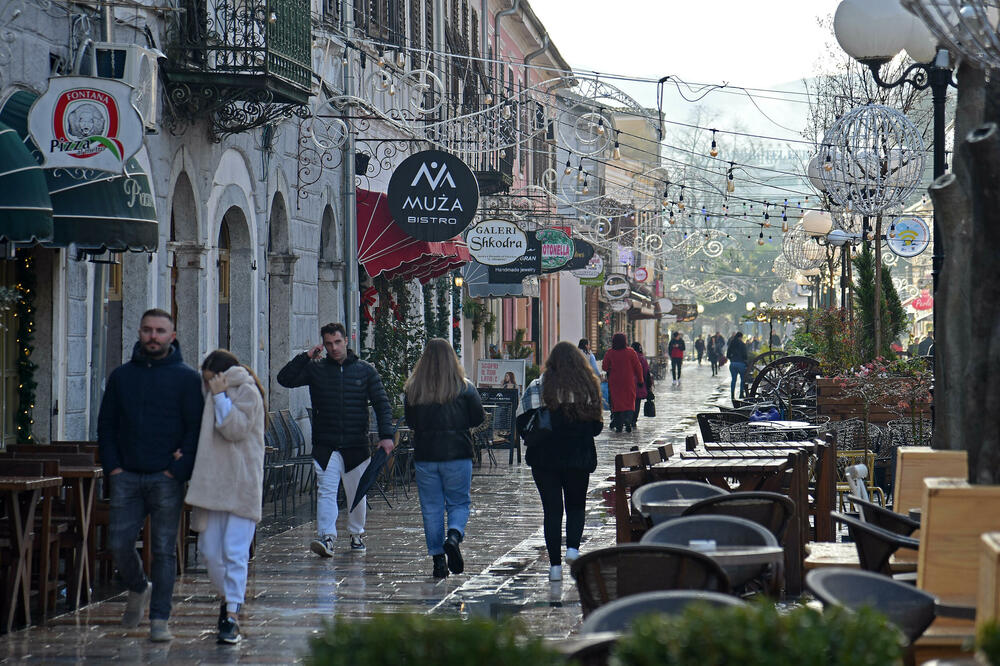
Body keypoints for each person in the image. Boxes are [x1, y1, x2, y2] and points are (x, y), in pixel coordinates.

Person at [97, 308, 204, 642]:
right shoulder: (122, 377)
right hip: (126, 474)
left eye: (160, 331)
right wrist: (113, 465)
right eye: (147, 330)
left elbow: (195, 428)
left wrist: (178, 469)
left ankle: (160, 619)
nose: (153, 336)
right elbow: (107, 424)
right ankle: (138, 586)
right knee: (119, 543)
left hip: (165, 478)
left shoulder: (187, 378)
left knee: (163, 550)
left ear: (172, 336)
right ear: (139, 333)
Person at [277, 322, 394, 557]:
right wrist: (305, 356)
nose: (334, 348)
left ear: (346, 341)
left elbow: (382, 404)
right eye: (329, 344)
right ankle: (327, 537)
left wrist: (387, 436)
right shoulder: (316, 369)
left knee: (356, 492)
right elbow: (285, 379)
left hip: (355, 444)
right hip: (326, 444)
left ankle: (356, 533)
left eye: (337, 342)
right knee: (326, 491)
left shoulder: (365, 370)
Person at [185, 350, 266, 645]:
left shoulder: (247, 391)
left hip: (241, 483)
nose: (205, 385)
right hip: (212, 485)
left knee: (234, 551)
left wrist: (220, 398)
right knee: (208, 550)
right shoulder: (209, 392)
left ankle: (231, 613)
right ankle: (227, 598)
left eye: (209, 380)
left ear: (219, 375)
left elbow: (235, 429)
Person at [516, 342, 603, 582]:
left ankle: (554, 566)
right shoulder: (587, 388)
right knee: (576, 507)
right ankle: (573, 550)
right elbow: (596, 427)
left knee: (552, 511)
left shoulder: (537, 387)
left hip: (545, 460)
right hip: (578, 458)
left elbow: (521, 422)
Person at [404, 339, 485, 578]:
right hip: (457, 454)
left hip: (426, 455)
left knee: (431, 508)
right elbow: (478, 418)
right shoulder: (465, 387)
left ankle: (438, 561)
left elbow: (411, 423)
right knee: (459, 502)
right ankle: (454, 536)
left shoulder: (414, 389)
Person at [601, 333, 643, 433]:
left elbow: (604, 367)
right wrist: (640, 380)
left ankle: (618, 424)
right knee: (629, 400)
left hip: (615, 382)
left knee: (616, 402)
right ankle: (628, 419)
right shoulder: (631, 352)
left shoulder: (610, 353)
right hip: (628, 381)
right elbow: (638, 367)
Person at [630, 342, 652, 428]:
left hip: (629, 382)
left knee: (630, 401)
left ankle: (628, 418)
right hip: (640, 382)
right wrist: (647, 383)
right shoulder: (642, 358)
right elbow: (646, 371)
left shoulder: (629, 357)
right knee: (637, 401)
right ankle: (634, 419)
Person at [727, 331, 750, 404]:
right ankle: (741, 394)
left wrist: (731, 359)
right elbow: (745, 356)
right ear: (740, 337)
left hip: (733, 363)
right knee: (742, 379)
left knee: (733, 380)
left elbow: (728, 354)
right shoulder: (742, 344)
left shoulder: (732, 343)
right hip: (741, 363)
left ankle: (732, 395)